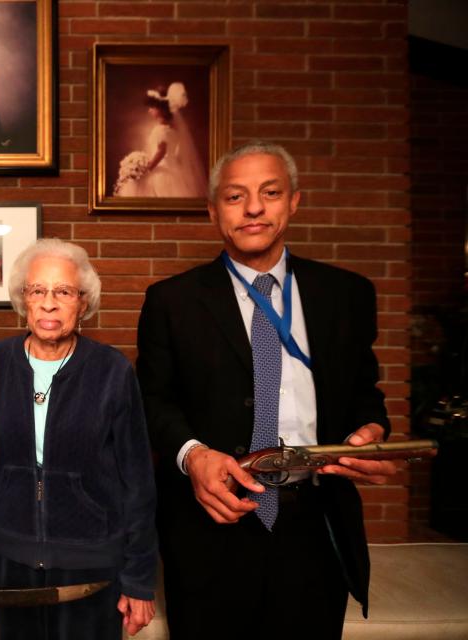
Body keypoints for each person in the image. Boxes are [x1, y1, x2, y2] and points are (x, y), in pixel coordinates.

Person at [136, 141, 398, 639]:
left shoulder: (347, 295)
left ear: (293, 201)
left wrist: (371, 430)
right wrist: (193, 456)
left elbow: (366, 392)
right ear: (214, 211)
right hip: (211, 524)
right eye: (235, 196)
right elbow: (152, 401)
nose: (253, 207)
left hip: (315, 525)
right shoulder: (172, 301)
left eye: (269, 192)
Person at [0, 238, 158, 639]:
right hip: (8, 562)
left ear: (84, 302)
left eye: (63, 292)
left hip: (93, 566)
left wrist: (139, 579)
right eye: (37, 291)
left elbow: (139, 483)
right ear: (23, 299)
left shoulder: (112, 371)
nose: (48, 303)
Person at [114, 82, 206, 199]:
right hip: (174, 170)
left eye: (152, 107)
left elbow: (161, 152)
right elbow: (174, 152)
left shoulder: (161, 130)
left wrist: (148, 169)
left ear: (161, 109)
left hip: (162, 172)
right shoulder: (173, 129)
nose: (149, 111)